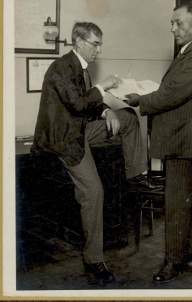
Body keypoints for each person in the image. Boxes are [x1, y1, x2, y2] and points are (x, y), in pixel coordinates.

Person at [31, 21, 157, 283]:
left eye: (100, 43)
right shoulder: (62, 66)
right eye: (95, 43)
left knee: (127, 117)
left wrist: (105, 110)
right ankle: (94, 260)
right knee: (94, 192)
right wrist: (103, 87)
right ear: (78, 42)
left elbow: (85, 104)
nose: (99, 49)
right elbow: (77, 103)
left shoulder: (80, 68)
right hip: (64, 139)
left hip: (79, 129)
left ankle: (136, 176)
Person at [125, 2, 192, 283]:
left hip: (183, 140)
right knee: (189, 198)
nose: (172, 27)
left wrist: (140, 99)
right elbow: (173, 90)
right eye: (172, 22)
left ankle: (173, 263)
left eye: (178, 22)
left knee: (177, 201)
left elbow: (173, 94)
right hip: (184, 138)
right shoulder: (191, 51)